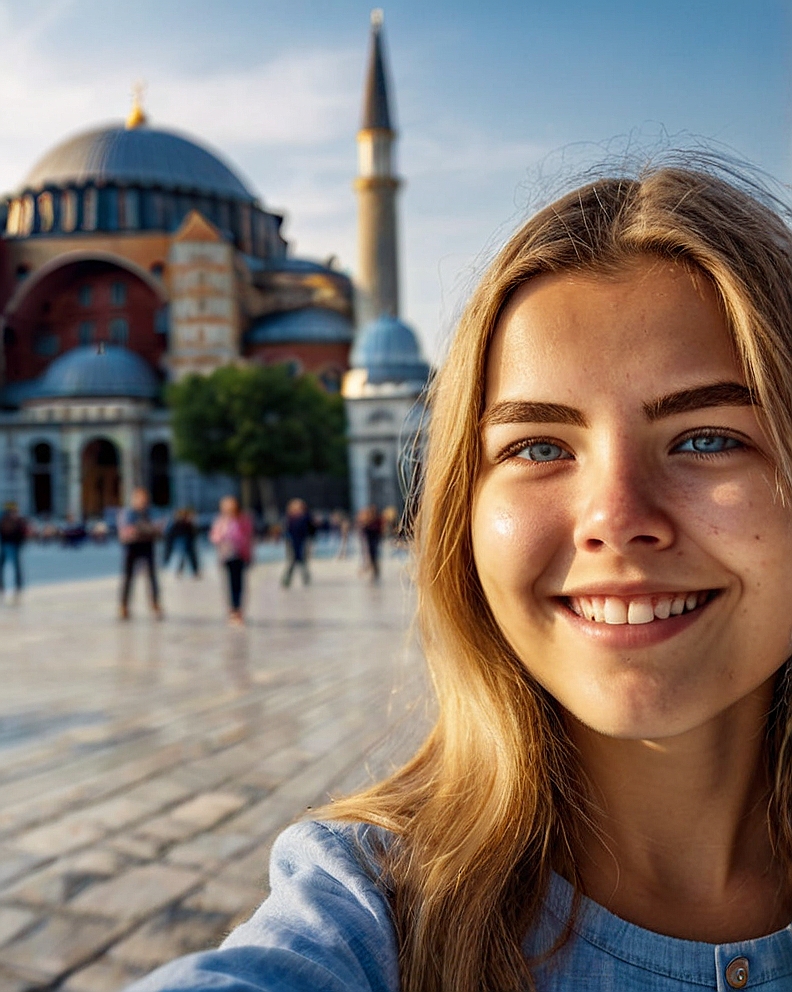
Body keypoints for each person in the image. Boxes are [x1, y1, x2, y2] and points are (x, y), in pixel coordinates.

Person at [128, 161, 792, 991]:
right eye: (538, 447)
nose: (615, 519)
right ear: (461, 514)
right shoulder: (378, 909)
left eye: (706, 437)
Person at [118, 487, 162, 621]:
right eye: (139, 498)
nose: (142, 501)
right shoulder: (128, 512)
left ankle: (155, 603)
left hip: (147, 544)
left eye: (144, 498)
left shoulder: (151, 512)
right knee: (128, 577)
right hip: (132, 546)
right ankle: (124, 605)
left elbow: (158, 526)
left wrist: (141, 528)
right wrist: (145, 529)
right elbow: (126, 530)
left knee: (152, 576)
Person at [210, 495, 254, 624]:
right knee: (229, 583)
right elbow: (214, 536)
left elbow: (248, 537)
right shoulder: (221, 520)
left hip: (240, 554)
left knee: (239, 583)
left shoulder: (243, 519)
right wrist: (220, 537)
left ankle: (238, 608)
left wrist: (249, 553)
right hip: (226, 555)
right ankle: (232, 609)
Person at [281, 498, 313, 587]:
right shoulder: (289, 518)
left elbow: (311, 529)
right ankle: (287, 579)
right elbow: (286, 531)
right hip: (292, 542)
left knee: (303, 561)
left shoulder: (306, 517)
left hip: (303, 542)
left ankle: (306, 578)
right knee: (292, 561)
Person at [0, 502, 26, 602]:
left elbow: (21, 533)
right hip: (7, 545)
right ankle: (6, 588)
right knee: (12, 568)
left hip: (13, 546)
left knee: (16, 568)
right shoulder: (6, 520)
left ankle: (17, 588)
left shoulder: (18, 520)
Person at [164, 508, 201, 578]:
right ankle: (180, 571)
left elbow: (194, 533)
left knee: (187, 557)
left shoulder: (188, 523)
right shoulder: (178, 523)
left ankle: (191, 571)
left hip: (188, 542)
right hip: (181, 542)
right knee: (182, 557)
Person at [358, 503, 383, 581]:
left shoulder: (375, 519)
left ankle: (374, 570)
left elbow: (379, 528)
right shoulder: (368, 519)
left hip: (373, 539)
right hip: (370, 540)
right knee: (371, 555)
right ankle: (372, 569)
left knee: (373, 555)